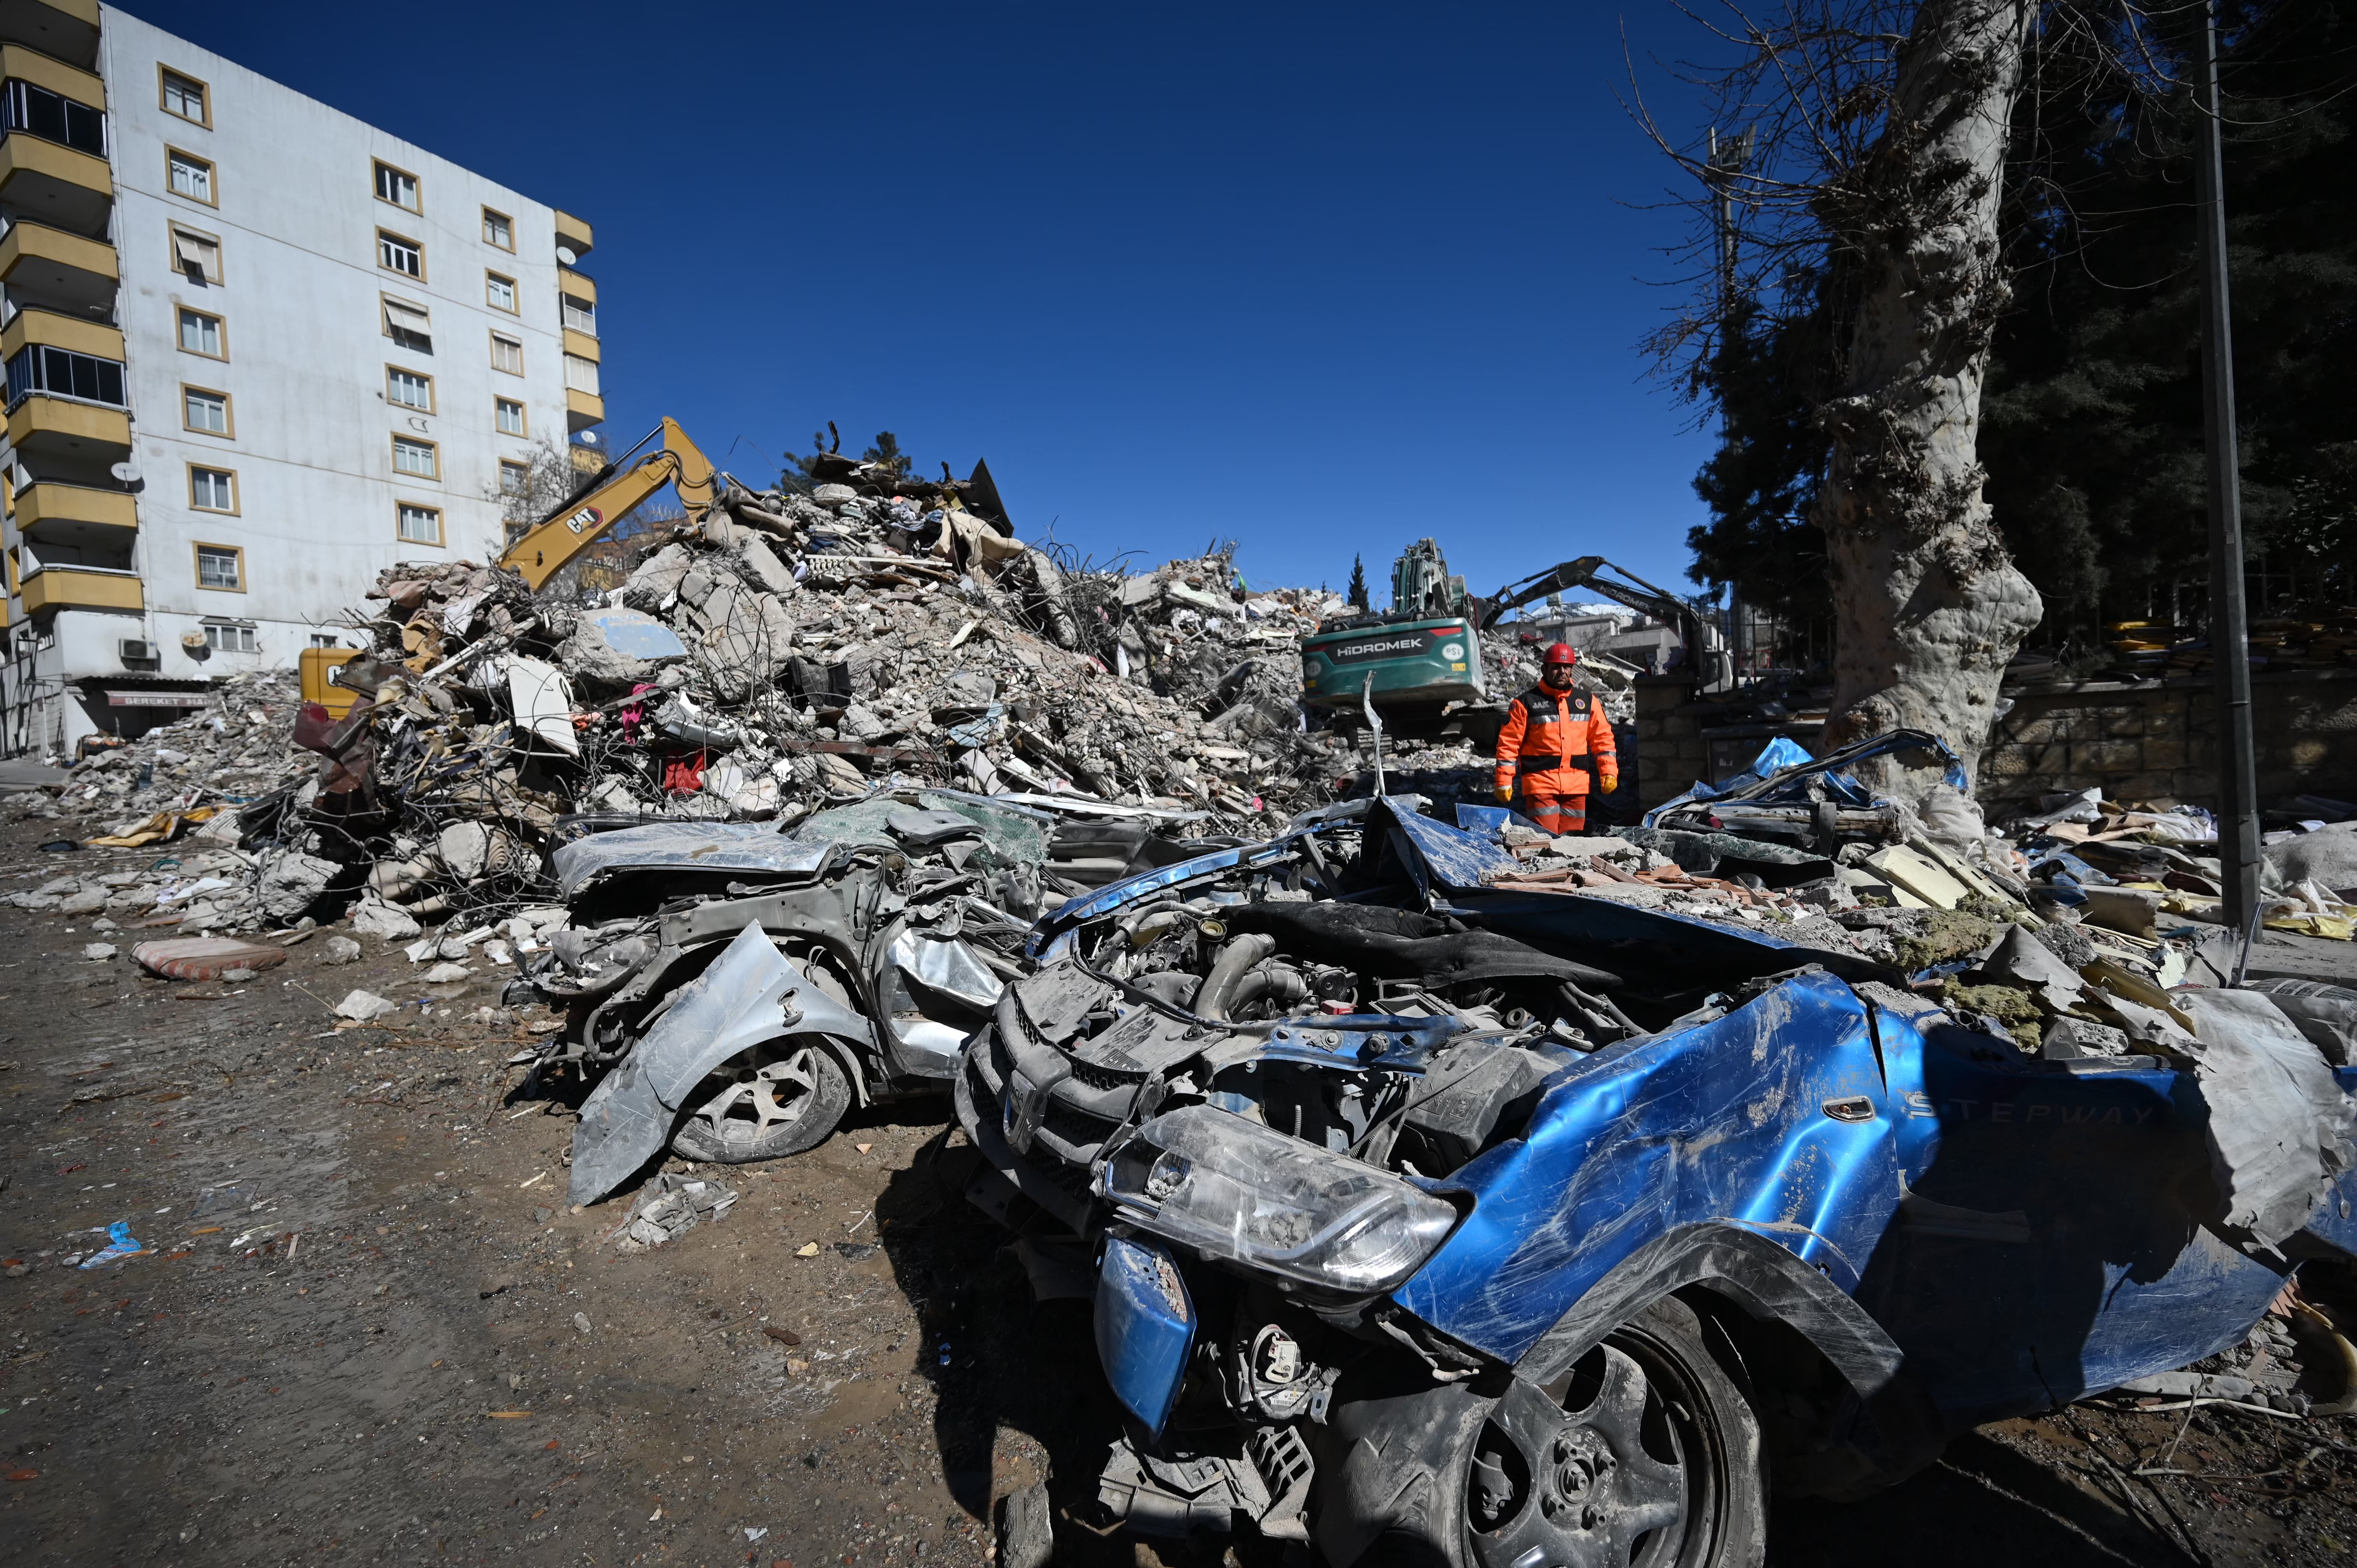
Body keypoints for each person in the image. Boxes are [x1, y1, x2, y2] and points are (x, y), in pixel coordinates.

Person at [1493, 642, 1617, 835]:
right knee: (1546, 842)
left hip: (1577, 787)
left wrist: (1608, 771)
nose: (1562, 672)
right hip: (1540, 786)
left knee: (1573, 845)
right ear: (1544, 669)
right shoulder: (1525, 703)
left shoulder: (1587, 702)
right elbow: (1509, 744)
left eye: (1566, 667)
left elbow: (1603, 739)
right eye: (1556, 667)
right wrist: (1504, 781)